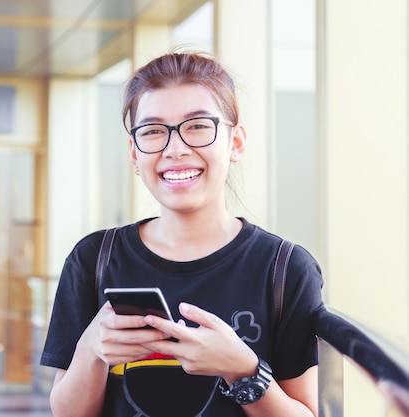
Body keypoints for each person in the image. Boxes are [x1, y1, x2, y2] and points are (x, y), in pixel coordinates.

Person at [40, 50, 324, 417]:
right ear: (134, 152)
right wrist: (92, 349)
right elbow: (67, 413)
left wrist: (244, 371)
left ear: (235, 142)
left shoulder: (283, 268)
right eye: (154, 131)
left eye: (198, 126)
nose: (176, 149)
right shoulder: (95, 258)